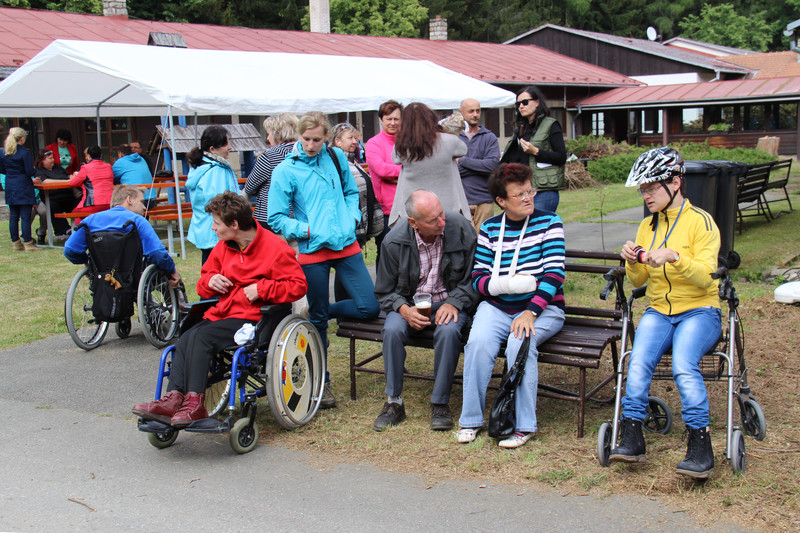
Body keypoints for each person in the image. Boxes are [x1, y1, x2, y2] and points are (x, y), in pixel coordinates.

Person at [132, 191, 307, 427]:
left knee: (202, 337)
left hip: (256, 318)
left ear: (234, 224)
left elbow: (298, 285)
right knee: (186, 337)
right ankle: (173, 398)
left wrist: (262, 288)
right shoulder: (223, 247)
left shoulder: (275, 248)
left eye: (216, 223)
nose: (213, 228)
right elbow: (203, 285)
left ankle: (195, 403)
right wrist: (211, 280)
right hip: (225, 313)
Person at [609, 147, 722, 479]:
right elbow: (638, 280)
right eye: (642, 189)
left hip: (700, 311)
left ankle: (700, 445)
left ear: (675, 183)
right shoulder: (647, 225)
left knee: (683, 365)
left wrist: (675, 257)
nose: (646, 195)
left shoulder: (702, 222)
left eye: (651, 187)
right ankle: (632, 436)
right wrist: (633, 259)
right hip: (659, 311)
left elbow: (707, 278)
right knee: (637, 362)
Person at [268, 111, 380, 409]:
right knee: (317, 324)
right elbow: (275, 217)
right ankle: (323, 382)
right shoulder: (286, 169)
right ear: (298, 135)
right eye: (306, 139)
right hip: (312, 250)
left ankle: (320, 312)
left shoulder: (335, 157)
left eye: (317, 139)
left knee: (369, 306)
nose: (310, 145)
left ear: (327, 137)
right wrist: (306, 230)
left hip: (346, 244)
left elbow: (351, 192)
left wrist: (352, 218)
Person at [457, 162, 566, 449]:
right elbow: (479, 277)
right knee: (477, 343)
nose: (529, 198)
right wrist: (505, 285)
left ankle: (523, 425)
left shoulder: (550, 222)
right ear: (501, 201)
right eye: (520, 194)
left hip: (543, 308)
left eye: (530, 191)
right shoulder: (490, 228)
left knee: (520, 343)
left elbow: (554, 274)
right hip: (497, 307)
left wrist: (531, 312)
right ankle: (470, 419)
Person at [373, 190, 478, 432]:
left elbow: (474, 277)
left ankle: (440, 403)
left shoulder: (461, 228)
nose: (442, 222)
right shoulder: (393, 241)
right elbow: (385, 291)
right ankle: (394, 402)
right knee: (392, 329)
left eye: (442, 214)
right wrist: (403, 309)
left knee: (449, 331)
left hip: (449, 301)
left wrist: (455, 302)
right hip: (410, 304)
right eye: (433, 220)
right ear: (413, 223)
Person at [63, 184, 182, 289]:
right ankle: (178, 304)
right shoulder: (138, 221)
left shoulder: (90, 220)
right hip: (135, 276)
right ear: (129, 200)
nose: (144, 207)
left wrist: (88, 262)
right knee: (163, 268)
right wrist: (172, 270)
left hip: (102, 275)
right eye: (141, 202)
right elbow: (157, 253)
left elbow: (70, 250)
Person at [389, 102, 469, 227]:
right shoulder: (449, 141)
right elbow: (463, 149)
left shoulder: (402, 146)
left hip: (414, 211)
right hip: (448, 209)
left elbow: (395, 159)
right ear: (431, 118)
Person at [500, 86, 567, 213]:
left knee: (537, 224)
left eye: (525, 102)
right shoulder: (520, 129)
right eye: (518, 104)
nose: (521, 106)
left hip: (543, 190)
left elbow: (561, 157)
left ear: (537, 102)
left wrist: (536, 151)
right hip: (521, 189)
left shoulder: (550, 125)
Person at [185, 125, 240, 265]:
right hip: (217, 233)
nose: (230, 147)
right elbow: (220, 204)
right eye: (226, 144)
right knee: (218, 271)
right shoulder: (215, 171)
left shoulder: (201, 167)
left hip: (207, 230)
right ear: (212, 149)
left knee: (210, 267)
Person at [244, 113, 298, 230]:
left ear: (277, 133)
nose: (268, 138)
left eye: (268, 134)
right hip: (299, 217)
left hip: (270, 218)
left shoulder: (270, 155)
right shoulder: (304, 153)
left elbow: (249, 187)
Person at [365, 99, 403, 263]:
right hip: (386, 210)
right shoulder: (374, 143)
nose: (393, 123)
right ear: (381, 120)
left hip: (408, 207)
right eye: (389, 119)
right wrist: (406, 172)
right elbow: (381, 169)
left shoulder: (408, 142)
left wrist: (397, 175)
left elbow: (419, 166)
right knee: (387, 255)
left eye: (396, 119)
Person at [457, 98, 501, 233]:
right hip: (460, 201)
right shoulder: (453, 137)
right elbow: (450, 170)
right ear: (461, 112)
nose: (475, 114)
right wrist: (480, 166)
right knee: (465, 241)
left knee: (484, 240)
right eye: (471, 111)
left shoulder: (489, 137)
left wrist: (463, 161)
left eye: (478, 111)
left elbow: (492, 166)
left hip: (484, 200)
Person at [1, 127, 39, 251]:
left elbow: (2, 169)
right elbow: (29, 171)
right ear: (22, 139)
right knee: (25, 216)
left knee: (13, 216)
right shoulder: (24, 152)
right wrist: (34, 171)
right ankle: (28, 242)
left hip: (10, 184)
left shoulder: (4, 152)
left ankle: (16, 243)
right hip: (23, 185)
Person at [32, 148, 76, 241]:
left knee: (79, 202)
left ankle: (81, 227)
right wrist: (65, 181)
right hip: (51, 197)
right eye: (50, 158)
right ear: (42, 160)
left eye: (53, 158)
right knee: (53, 206)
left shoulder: (57, 167)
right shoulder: (38, 170)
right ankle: (65, 229)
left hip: (66, 196)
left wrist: (73, 177)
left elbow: (69, 175)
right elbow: (44, 181)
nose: (53, 160)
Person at [69, 145, 115, 211]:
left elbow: (73, 183)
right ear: (101, 155)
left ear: (88, 156)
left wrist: (76, 176)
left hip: (93, 203)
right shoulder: (108, 166)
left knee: (75, 213)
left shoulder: (85, 167)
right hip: (111, 202)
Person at [112, 144, 157, 210]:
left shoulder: (120, 162)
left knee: (118, 205)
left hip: (136, 200)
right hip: (151, 199)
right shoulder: (141, 159)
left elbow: (111, 178)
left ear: (120, 154)